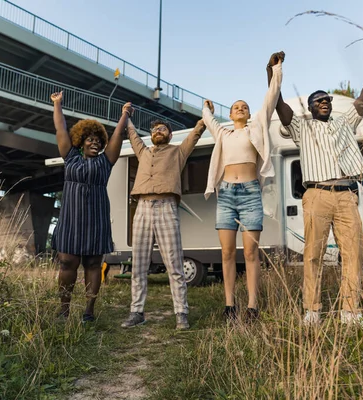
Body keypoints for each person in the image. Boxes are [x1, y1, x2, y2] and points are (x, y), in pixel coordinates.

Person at [270, 44, 363, 326]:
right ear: (311, 107)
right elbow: (280, 105)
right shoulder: (301, 126)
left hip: (347, 195)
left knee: (354, 253)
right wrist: (274, 72)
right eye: (318, 99)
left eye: (327, 99)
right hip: (317, 195)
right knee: (313, 253)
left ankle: (350, 312)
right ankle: (312, 310)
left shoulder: (343, 123)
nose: (324, 101)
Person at [202, 52, 284, 322]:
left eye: (244, 106)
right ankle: (229, 306)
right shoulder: (223, 133)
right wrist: (207, 110)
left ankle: (252, 307)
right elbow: (209, 120)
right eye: (236, 106)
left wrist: (275, 69)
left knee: (250, 252)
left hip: (250, 195)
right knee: (227, 252)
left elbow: (271, 97)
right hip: (226, 195)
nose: (241, 108)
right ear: (230, 113)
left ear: (249, 114)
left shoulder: (256, 127)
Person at [120, 107, 206, 330]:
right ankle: (137, 312)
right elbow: (132, 134)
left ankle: (181, 313)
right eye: (155, 129)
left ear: (169, 134)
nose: (158, 131)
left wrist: (205, 115)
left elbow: (196, 134)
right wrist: (126, 116)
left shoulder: (178, 152)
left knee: (174, 264)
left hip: (166, 206)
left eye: (163, 129)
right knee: (138, 265)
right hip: (142, 207)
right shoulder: (143, 151)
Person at [50, 91, 129, 322]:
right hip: (71, 219)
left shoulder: (106, 161)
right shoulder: (70, 157)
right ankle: (64, 309)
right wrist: (57, 105)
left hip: (96, 218)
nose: (95, 142)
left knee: (93, 263)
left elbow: (118, 134)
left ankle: (88, 311)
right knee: (67, 262)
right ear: (81, 141)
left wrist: (124, 114)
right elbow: (60, 129)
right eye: (90, 139)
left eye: (98, 140)